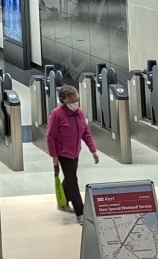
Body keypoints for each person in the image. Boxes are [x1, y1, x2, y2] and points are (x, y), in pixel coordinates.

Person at [47, 85, 99, 221]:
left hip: (75, 152)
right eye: (71, 101)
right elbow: (50, 136)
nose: (75, 104)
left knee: (70, 178)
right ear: (63, 101)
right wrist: (54, 156)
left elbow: (85, 132)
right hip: (63, 153)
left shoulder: (79, 113)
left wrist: (92, 150)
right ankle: (80, 213)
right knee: (73, 181)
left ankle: (62, 202)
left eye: (76, 100)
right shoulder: (57, 114)